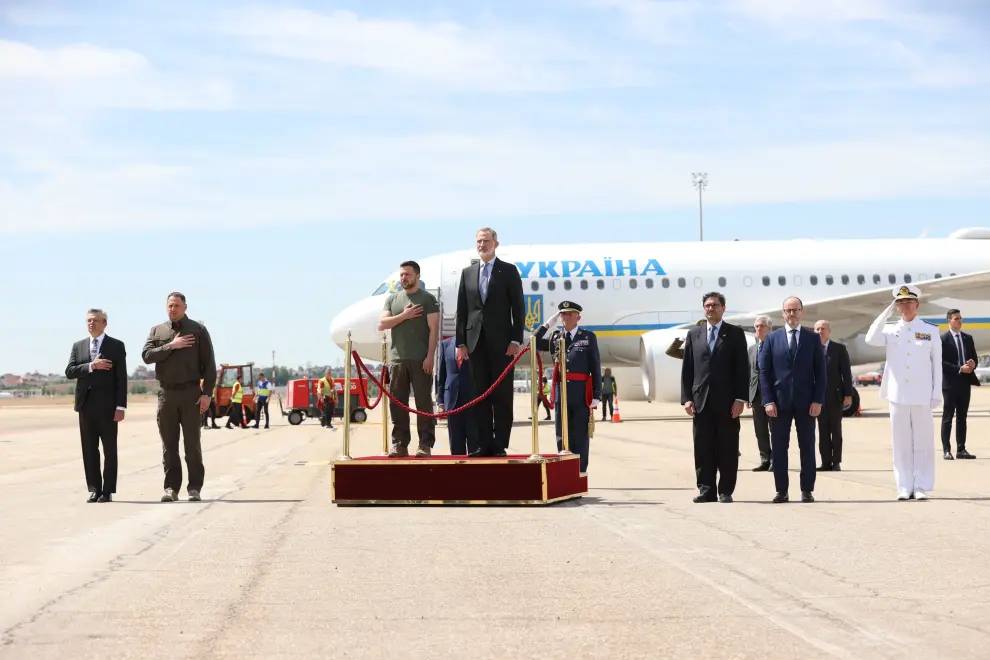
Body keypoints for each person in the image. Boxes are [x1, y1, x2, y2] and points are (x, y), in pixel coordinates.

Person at [865, 285, 942, 500]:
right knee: (900, 443)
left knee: (923, 442)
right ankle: (904, 486)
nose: (905, 306)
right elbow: (870, 338)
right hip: (897, 394)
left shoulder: (930, 331)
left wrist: (936, 393)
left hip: (922, 394)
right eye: (900, 303)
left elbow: (937, 365)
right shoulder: (889, 330)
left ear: (917, 304)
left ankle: (921, 486)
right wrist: (886, 312)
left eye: (909, 302)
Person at [455, 228, 525, 457]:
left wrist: (516, 339)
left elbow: (518, 308)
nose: (481, 245)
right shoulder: (467, 273)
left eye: (485, 241)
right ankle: (482, 444)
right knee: (479, 395)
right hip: (475, 343)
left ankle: (500, 444)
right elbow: (462, 311)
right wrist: (461, 343)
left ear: (496, 243)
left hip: (502, 344)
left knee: (502, 396)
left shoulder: (508, 271)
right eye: (478, 241)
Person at [142, 292, 217, 503]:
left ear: (185, 307)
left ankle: (194, 488)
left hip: (191, 394)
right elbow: (147, 356)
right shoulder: (157, 330)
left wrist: (206, 394)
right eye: (169, 305)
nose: (172, 309)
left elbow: (210, 366)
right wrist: (171, 346)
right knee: (169, 445)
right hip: (166, 394)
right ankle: (171, 488)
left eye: (176, 305)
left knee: (192, 444)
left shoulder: (198, 330)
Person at [679, 292, 749, 503]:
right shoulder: (694, 334)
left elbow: (742, 370)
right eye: (708, 306)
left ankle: (725, 490)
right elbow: (688, 369)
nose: (711, 309)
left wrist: (740, 398)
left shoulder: (735, 334)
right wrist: (687, 398)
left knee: (727, 447)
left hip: (728, 402)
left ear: (723, 308)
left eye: (715, 305)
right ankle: (706, 489)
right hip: (701, 402)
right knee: (703, 448)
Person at [759, 296, 826, 503]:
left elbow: (821, 373)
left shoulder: (812, 338)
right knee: (779, 449)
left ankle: (807, 490)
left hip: (806, 403)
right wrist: (768, 400)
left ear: (802, 312)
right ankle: (782, 490)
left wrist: (818, 400)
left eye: (795, 310)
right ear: (783, 314)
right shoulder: (772, 338)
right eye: (788, 311)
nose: (792, 314)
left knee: (807, 447)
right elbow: (764, 372)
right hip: (779, 404)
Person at [64, 308, 127, 503]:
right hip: (85, 406)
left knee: (109, 450)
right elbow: (70, 371)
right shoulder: (79, 346)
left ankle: (107, 491)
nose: (91, 323)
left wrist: (121, 407)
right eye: (89, 320)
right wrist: (92, 366)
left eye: (96, 320)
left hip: (108, 407)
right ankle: (94, 488)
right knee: (89, 449)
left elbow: (121, 378)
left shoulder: (116, 345)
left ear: (104, 323)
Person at [378, 260, 440, 457]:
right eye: (402, 275)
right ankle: (400, 444)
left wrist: (430, 356)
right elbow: (383, 323)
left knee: (423, 404)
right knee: (397, 404)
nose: (403, 278)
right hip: (397, 360)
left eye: (408, 274)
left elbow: (434, 329)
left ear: (417, 276)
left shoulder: (427, 299)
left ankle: (425, 445)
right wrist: (404, 315)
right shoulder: (392, 300)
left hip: (421, 359)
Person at [534, 301, 601, 473]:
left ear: (578, 317)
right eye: (562, 314)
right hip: (560, 391)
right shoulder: (556, 337)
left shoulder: (587, 337)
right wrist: (547, 325)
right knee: (561, 435)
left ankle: (580, 472)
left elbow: (595, 366)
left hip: (580, 392)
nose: (565, 316)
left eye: (569, 314)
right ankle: (565, 472)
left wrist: (596, 395)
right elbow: (532, 342)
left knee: (580, 435)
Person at [814, 319, 854, 471]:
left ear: (829, 331)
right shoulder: (810, 349)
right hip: (817, 398)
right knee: (822, 431)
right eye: (817, 329)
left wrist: (848, 394)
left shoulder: (839, 349)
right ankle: (825, 462)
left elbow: (846, 373)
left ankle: (836, 462)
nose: (820, 331)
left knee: (835, 430)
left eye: (823, 329)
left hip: (835, 396)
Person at [940, 309, 979, 460]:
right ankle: (946, 450)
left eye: (960, 318)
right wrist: (959, 368)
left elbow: (974, 358)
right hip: (950, 383)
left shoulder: (968, 338)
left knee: (962, 417)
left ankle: (961, 449)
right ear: (949, 321)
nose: (959, 321)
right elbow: (941, 362)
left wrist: (972, 364)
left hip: (965, 382)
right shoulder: (943, 340)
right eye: (956, 318)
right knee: (948, 417)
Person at [436, 336, 474, 455]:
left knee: (474, 440)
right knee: (456, 443)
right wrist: (441, 402)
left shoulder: (474, 342)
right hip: (451, 399)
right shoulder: (445, 344)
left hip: (472, 398)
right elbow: (441, 376)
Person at [748, 315, 773, 471]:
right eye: (756, 326)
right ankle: (765, 459)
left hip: (773, 395)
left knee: (775, 430)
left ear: (769, 329)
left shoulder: (776, 346)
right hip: (756, 395)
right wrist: (747, 395)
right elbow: (750, 373)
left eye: (761, 326)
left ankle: (776, 460)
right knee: (760, 430)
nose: (758, 329)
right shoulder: (751, 349)